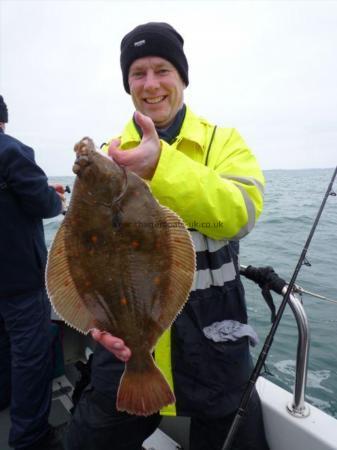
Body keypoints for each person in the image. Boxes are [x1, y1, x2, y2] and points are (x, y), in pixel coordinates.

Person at [66, 22, 269, 450]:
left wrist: (163, 166)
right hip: (123, 346)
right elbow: (80, 251)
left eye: (162, 70)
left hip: (213, 339)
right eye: (138, 73)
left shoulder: (222, 142)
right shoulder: (111, 153)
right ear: (128, 85)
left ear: (182, 78)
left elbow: (241, 213)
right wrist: (94, 322)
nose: (151, 83)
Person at [0, 95, 66, 450]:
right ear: (3, 119)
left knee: (2, 345)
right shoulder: (11, 150)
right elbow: (43, 205)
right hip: (20, 281)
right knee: (30, 355)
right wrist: (55, 198)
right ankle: (30, 437)